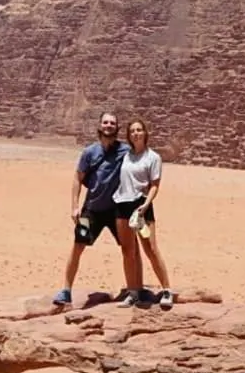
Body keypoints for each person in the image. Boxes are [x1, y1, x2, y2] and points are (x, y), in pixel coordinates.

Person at [52, 111, 138, 307]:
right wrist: (74, 206)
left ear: (117, 128)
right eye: (105, 122)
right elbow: (78, 178)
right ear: (100, 126)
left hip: (118, 211)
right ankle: (65, 290)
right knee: (77, 246)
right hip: (90, 209)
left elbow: (143, 163)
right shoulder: (89, 152)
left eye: (112, 123)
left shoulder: (125, 151)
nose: (108, 125)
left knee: (129, 249)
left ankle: (134, 290)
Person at [113, 117, 175, 309]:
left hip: (141, 206)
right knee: (127, 251)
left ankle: (166, 290)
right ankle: (133, 292)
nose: (136, 133)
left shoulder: (153, 158)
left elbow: (155, 184)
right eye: (132, 131)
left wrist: (146, 204)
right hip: (122, 204)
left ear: (145, 133)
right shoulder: (124, 155)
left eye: (139, 130)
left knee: (151, 249)